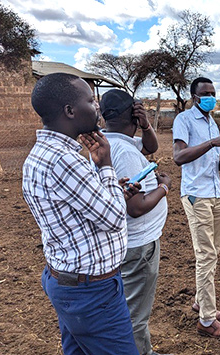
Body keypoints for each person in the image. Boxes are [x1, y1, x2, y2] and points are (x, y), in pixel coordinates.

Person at [22, 72, 140, 355]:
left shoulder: (41, 154)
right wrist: (107, 166)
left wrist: (106, 184)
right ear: (70, 111)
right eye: (90, 100)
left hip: (67, 281)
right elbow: (113, 218)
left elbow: (83, 208)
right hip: (92, 293)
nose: (97, 105)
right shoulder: (65, 160)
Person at [100, 89, 171, 355]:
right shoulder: (125, 152)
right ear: (133, 112)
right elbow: (136, 207)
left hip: (126, 242)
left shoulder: (109, 141)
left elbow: (151, 147)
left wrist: (145, 125)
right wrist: (164, 188)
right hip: (139, 245)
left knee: (126, 305)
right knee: (135, 314)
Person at [172, 77, 220, 338]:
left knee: (214, 251)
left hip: (215, 193)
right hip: (196, 196)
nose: (210, 96)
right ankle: (207, 321)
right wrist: (213, 144)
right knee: (206, 255)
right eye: (205, 93)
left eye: (213, 92)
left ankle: (202, 302)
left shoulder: (211, 121)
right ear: (194, 97)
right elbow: (179, 157)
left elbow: (210, 153)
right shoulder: (184, 120)